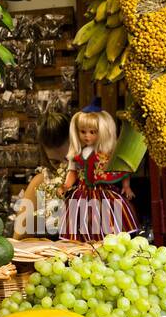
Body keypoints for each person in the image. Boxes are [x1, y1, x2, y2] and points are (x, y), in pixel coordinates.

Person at [58, 101, 138, 241]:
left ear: (102, 132)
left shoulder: (107, 154)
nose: (87, 136)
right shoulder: (77, 155)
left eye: (92, 132)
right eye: (83, 132)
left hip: (104, 192)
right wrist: (66, 186)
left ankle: (107, 243)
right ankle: (85, 245)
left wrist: (126, 186)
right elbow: (72, 172)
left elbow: (121, 170)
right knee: (81, 219)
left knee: (108, 218)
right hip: (82, 193)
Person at [12, 105, 71, 239]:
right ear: (45, 156)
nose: (64, 168)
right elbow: (20, 239)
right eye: (55, 162)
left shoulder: (95, 181)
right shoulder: (40, 184)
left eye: (69, 159)